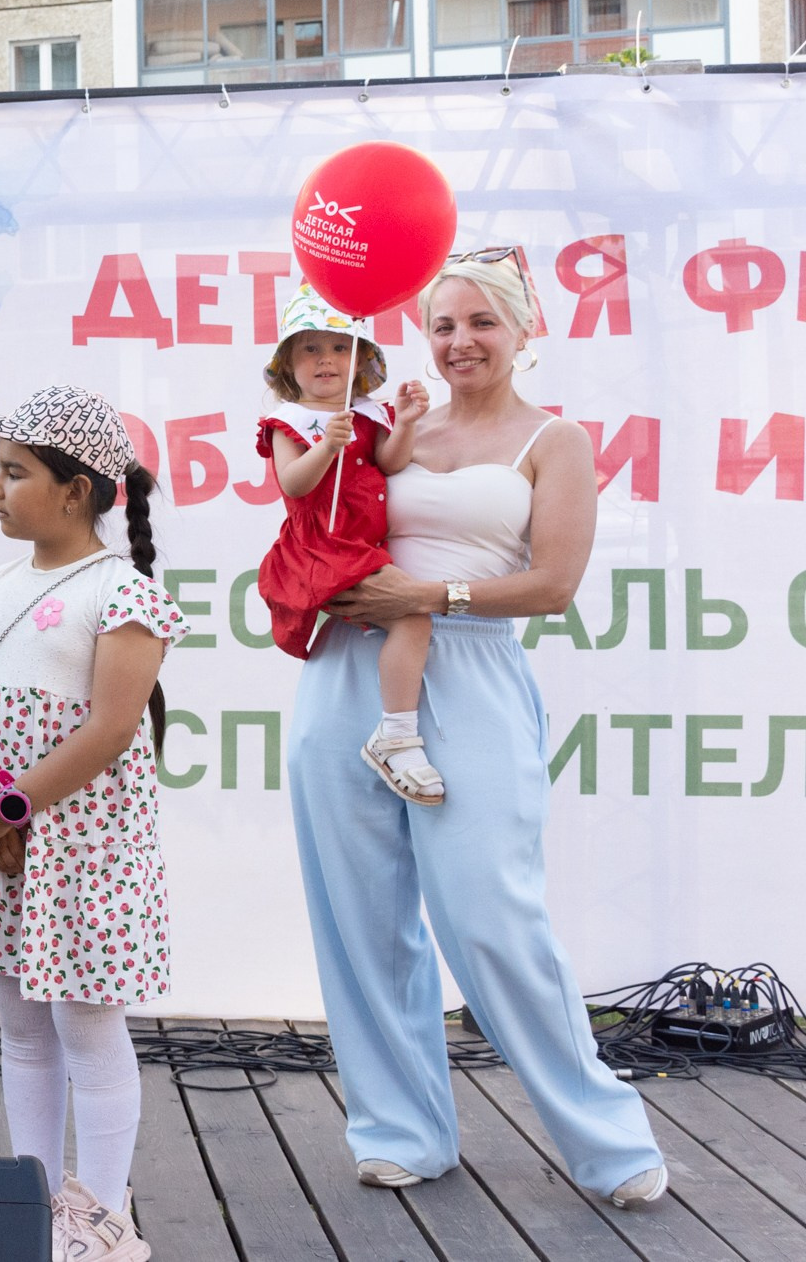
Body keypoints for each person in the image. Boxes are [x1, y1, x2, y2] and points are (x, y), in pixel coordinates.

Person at [293, 251, 667, 1206]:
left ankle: (608, 1139)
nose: (460, 341)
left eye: (480, 323)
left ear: (522, 330)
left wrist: (431, 591)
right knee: (361, 920)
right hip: (349, 672)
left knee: (492, 917)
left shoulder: (556, 439)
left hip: (473, 670)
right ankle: (401, 1130)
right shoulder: (397, 426)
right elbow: (327, 504)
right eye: (444, 324)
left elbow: (555, 583)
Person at [0, 385, 187, 1262]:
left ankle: (105, 1214)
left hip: (81, 848)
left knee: (86, 1021)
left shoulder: (121, 592)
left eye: (15, 471)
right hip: (4, 841)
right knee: (21, 1025)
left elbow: (110, 727)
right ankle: (37, 1200)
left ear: (76, 488)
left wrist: (12, 804)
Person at [255, 285, 442, 803]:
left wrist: (404, 423)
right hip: (324, 545)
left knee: (404, 617)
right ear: (288, 365)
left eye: (340, 348)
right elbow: (293, 484)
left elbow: (391, 463)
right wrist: (325, 447)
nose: (326, 360)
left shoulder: (367, 413)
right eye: (310, 349)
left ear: (360, 359)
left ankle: (392, 725)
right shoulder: (288, 422)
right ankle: (398, 735)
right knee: (413, 613)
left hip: (363, 545)